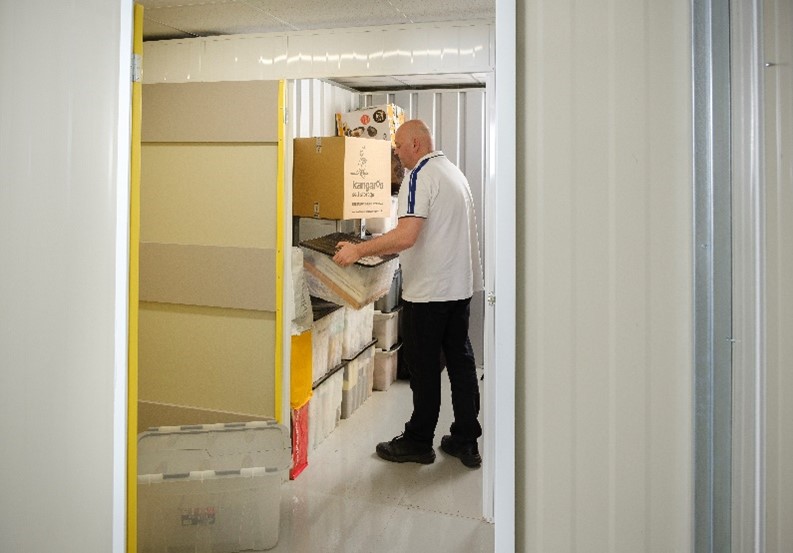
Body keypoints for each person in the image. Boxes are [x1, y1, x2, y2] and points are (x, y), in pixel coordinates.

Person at [333, 119, 484, 468]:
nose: (396, 153)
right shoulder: (454, 174)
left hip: (429, 294)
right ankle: (465, 439)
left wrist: (359, 250)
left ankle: (418, 441)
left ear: (416, 144)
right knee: (460, 363)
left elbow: (405, 236)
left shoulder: (420, 175)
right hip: (458, 290)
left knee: (425, 368)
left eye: (399, 145)